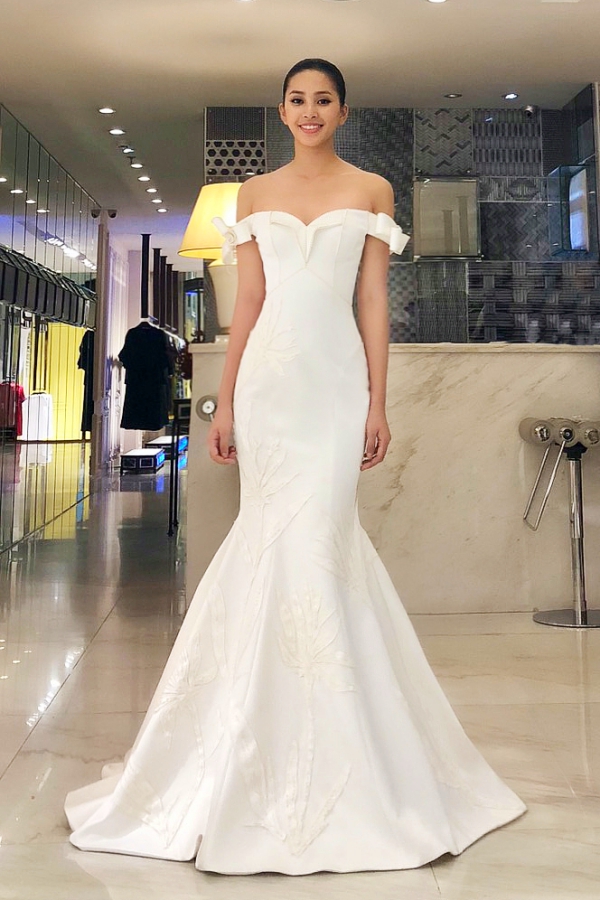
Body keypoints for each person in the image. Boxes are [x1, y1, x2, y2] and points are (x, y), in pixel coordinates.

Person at [65, 58, 526, 875]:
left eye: (323, 100)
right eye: (297, 100)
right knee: (273, 542)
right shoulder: (254, 194)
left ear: (342, 111)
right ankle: (249, 745)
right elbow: (247, 303)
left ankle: (354, 762)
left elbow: (373, 301)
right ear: (283, 111)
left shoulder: (373, 190)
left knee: (322, 543)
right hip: (272, 386)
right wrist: (228, 404)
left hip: (337, 385)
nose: (309, 111)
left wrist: (378, 401)